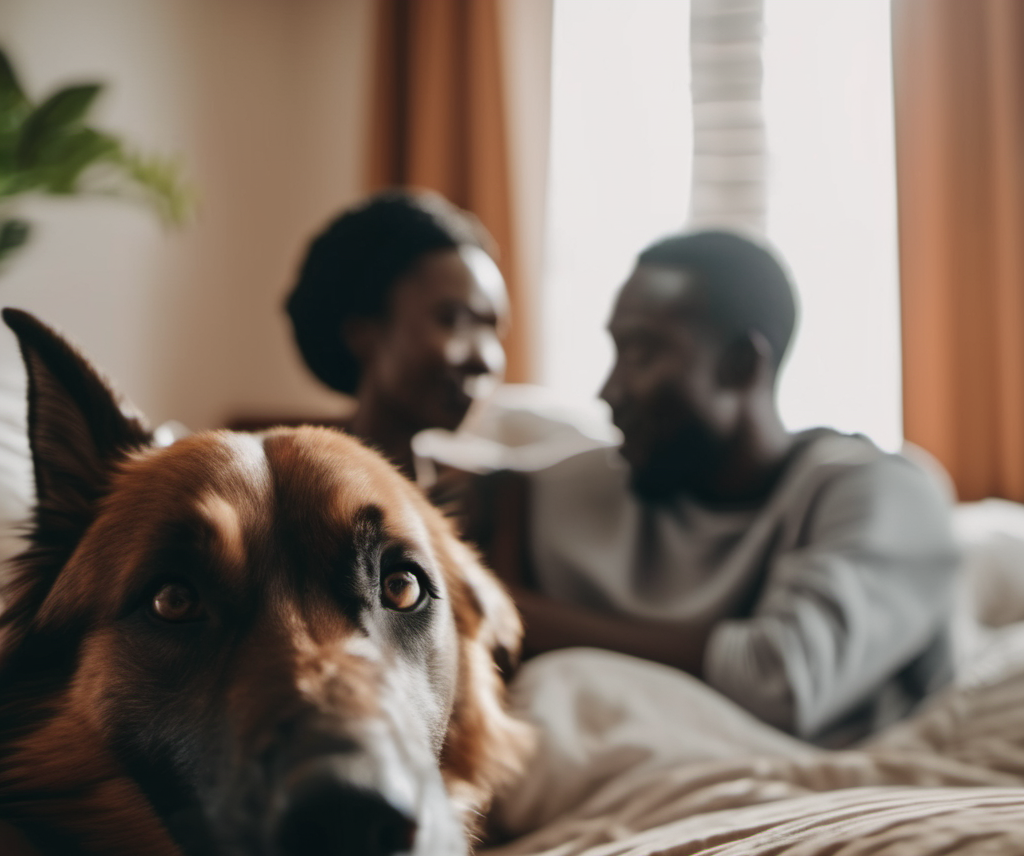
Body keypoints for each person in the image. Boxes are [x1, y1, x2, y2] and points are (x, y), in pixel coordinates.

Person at [494, 230, 958, 745]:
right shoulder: (591, 480)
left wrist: (513, 614)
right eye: (615, 351)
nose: (609, 391)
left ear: (741, 366)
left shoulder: (885, 493)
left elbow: (782, 682)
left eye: (642, 354)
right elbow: (486, 488)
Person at [285, 190, 509, 477]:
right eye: (454, 321)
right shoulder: (304, 500)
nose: (484, 360)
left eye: (493, 329)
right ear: (362, 333)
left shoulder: (489, 502)